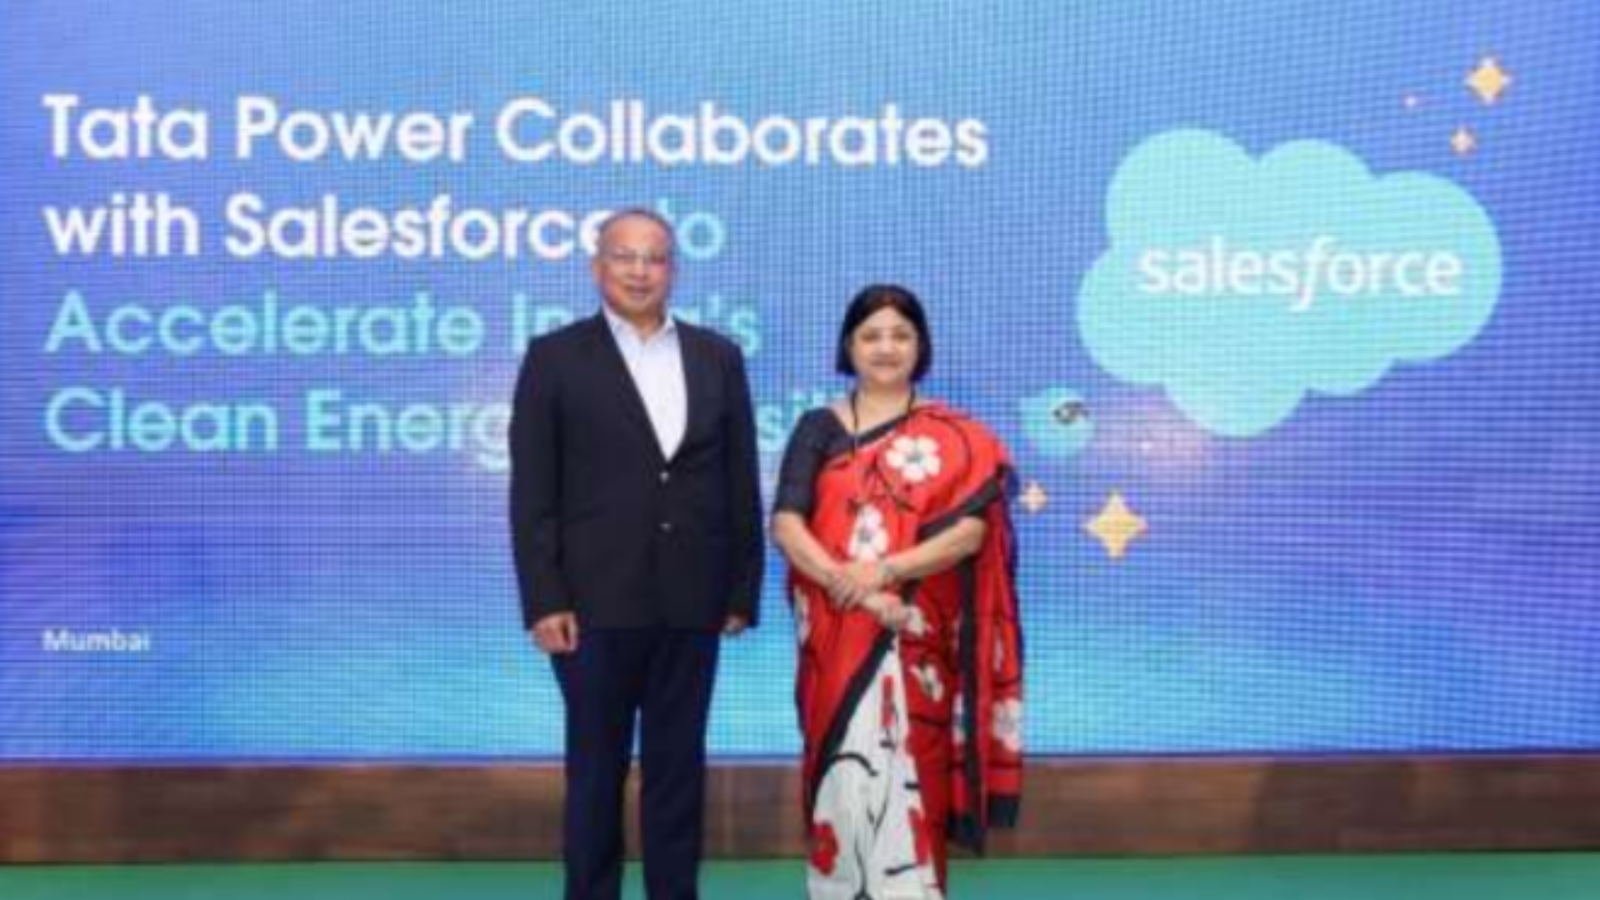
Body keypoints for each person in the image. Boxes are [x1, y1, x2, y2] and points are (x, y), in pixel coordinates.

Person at [510, 208, 764, 900]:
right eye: (624, 256)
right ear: (598, 267)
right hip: (591, 607)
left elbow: (739, 478)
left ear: (673, 270)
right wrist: (544, 598)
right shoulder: (554, 357)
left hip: (693, 600)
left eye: (654, 258)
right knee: (594, 773)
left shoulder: (718, 355)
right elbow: (533, 492)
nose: (639, 270)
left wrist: (742, 590)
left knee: (678, 770)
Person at [772, 284, 1023, 899]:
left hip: (918, 637)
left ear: (921, 346)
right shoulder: (818, 427)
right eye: (871, 335)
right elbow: (786, 523)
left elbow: (968, 535)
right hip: (836, 637)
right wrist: (851, 587)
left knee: (919, 778)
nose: (886, 348)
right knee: (842, 783)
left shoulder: (959, 439)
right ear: (848, 346)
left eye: (901, 335)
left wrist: (883, 573)